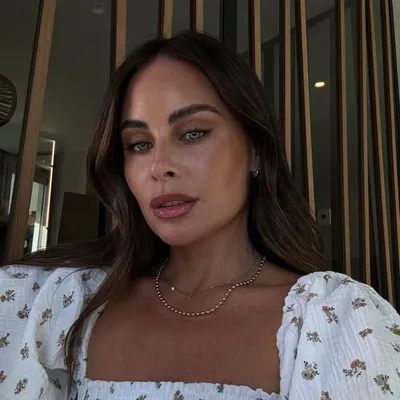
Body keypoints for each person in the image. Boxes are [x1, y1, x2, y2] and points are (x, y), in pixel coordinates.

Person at [0, 31, 399, 400]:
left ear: (256, 151)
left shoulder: (332, 320)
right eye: (139, 144)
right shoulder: (60, 304)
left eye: (193, 133)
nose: (160, 166)